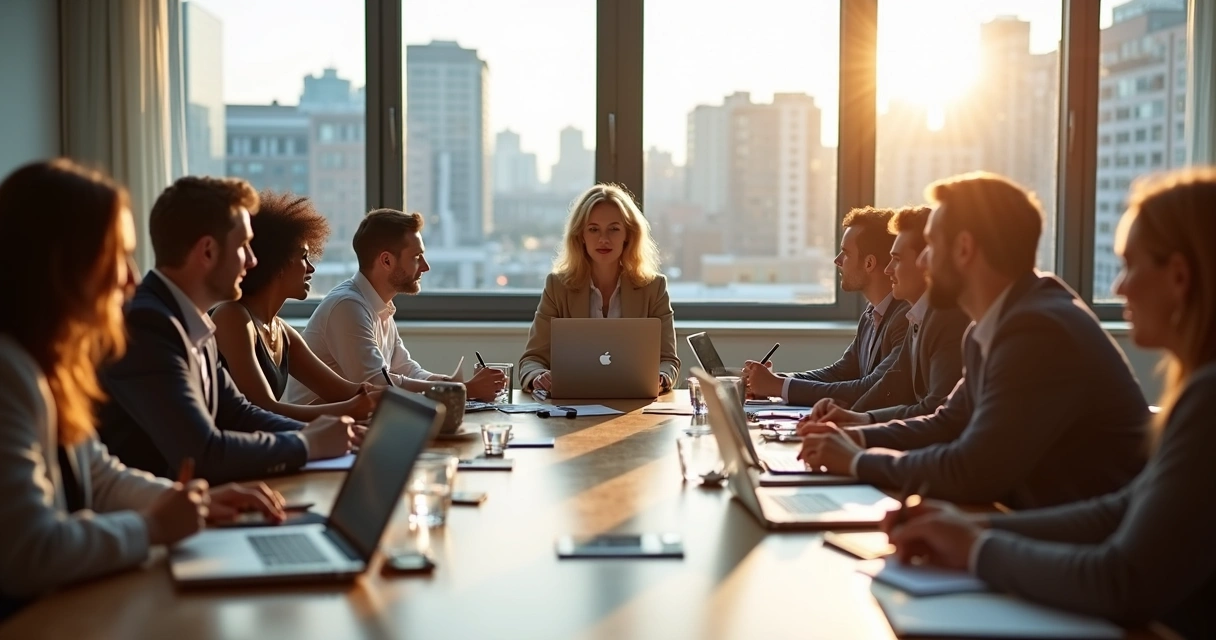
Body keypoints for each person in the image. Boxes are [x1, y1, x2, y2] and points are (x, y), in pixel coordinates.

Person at [886, 168, 1216, 640]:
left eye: (1129, 265)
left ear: (1179, 277)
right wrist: (972, 527)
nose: (1118, 287)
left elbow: (1120, 579)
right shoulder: (1201, 391)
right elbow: (1119, 510)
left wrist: (975, 548)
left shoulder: (1206, 399)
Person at [0, 160, 285, 620]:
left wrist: (193, 503)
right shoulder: (8, 373)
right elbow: (28, 553)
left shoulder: (49, 366)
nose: (132, 278)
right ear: (65, 265)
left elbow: (100, 476)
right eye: (118, 255)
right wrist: (152, 527)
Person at [798, 172, 1149, 509]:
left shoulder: (1039, 330)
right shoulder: (992, 324)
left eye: (931, 245)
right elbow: (947, 422)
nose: (923, 261)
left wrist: (857, 460)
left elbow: (972, 469)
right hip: (1026, 521)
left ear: (964, 249)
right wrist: (856, 436)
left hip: (1075, 537)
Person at [97, 177, 358, 484]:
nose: (253, 260)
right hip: (146, 508)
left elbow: (238, 413)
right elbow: (203, 453)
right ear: (207, 251)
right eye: (244, 246)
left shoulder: (194, 320)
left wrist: (333, 436)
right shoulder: (148, 323)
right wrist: (308, 444)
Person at [283, 209, 504, 403]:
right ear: (386, 261)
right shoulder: (348, 307)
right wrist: (463, 390)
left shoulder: (379, 305)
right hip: (318, 429)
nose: (425, 267)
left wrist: (452, 384)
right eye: (416, 257)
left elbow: (407, 370)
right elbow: (378, 384)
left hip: (357, 422)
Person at [212, 191, 381, 422]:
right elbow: (263, 410)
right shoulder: (232, 317)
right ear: (276, 261)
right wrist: (350, 409)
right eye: (303, 256)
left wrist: (400, 396)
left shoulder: (282, 332)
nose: (311, 268)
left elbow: (345, 391)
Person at [809, 206, 970, 424]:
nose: (888, 269)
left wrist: (857, 426)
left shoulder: (946, 320)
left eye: (897, 259)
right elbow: (890, 383)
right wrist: (848, 418)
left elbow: (936, 413)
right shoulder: (918, 317)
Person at [518, 183, 679, 394]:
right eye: (594, 229)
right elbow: (532, 360)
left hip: (634, 403)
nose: (604, 239)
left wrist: (661, 378)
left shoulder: (654, 287)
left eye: (614, 229)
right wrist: (538, 377)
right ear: (581, 236)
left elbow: (668, 360)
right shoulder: (557, 286)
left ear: (628, 235)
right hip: (572, 405)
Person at [744, 207, 909, 406]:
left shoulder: (905, 318)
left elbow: (870, 389)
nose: (837, 260)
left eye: (846, 253)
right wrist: (774, 380)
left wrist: (778, 386)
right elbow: (839, 373)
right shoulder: (871, 313)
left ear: (869, 263)